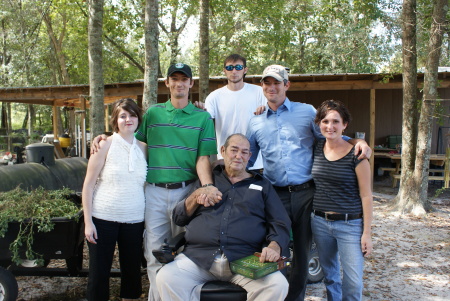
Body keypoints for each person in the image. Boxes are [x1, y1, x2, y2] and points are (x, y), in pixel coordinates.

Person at [90, 63, 220, 301]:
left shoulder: (203, 118)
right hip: (154, 194)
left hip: (187, 193)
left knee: (185, 254)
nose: (179, 83)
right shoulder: (153, 114)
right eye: (174, 79)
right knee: (154, 253)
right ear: (167, 83)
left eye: (184, 79)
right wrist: (104, 138)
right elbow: (129, 141)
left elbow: (203, 158)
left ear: (191, 83)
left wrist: (207, 187)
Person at [246, 65, 372, 301]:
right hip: (276, 195)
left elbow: (331, 135)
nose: (272, 87)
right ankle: (276, 294)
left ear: (287, 85)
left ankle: (296, 298)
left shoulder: (305, 113)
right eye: (267, 83)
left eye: (277, 82)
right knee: (277, 246)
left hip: (307, 194)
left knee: (303, 254)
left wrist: (357, 141)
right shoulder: (255, 121)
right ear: (262, 86)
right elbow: (248, 158)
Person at [155, 134, 291, 301]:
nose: (238, 156)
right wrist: (196, 195)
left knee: (277, 285)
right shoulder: (208, 180)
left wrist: (274, 246)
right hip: (200, 257)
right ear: (223, 151)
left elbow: (280, 221)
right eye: (234, 150)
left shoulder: (262, 185)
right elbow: (179, 218)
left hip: (245, 260)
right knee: (166, 278)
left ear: (250, 156)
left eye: (244, 152)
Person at [82, 98, 148, 301]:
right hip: (103, 218)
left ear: (138, 119)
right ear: (115, 121)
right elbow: (88, 185)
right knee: (99, 273)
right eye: (123, 116)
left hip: (135, 220)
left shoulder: (144, 148)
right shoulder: (104, 144)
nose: (128, 120)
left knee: (132, 272)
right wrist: (88, 223)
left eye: (132, 115)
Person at [311, 100, 373, 300]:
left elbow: (366, 195)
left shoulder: (357, 155)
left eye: (336, 121)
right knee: (330, 275)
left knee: (353, 281)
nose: (330, 126)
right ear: (319, 123)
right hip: (319, 222)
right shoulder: (316, 147)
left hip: (349, 224)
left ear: (345, 124)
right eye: (325, 121)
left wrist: (367, 233)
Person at [202, 54, 266, 169]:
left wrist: (264, 111)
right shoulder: (214, 97)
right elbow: (204, 119)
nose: (234, 71)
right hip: (226, 162)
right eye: (230, 68)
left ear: (245, 70)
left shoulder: (259, 92)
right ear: (224, 71)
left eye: (238, 67)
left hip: (255, 163)